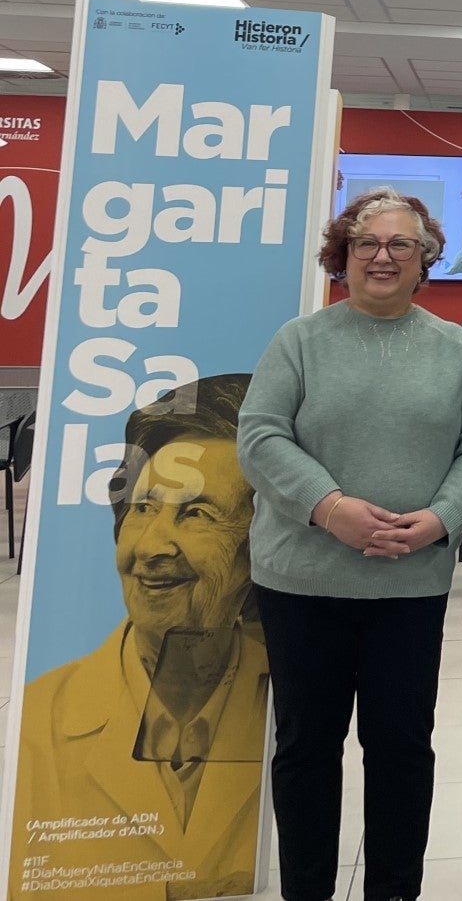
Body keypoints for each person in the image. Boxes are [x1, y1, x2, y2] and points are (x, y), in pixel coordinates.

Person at [237, 189, 462, 901]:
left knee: (400, 751)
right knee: (306, 750)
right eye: (366, 243)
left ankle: (392, 891)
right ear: (342, 255)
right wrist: (329, 508)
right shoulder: (299, 341)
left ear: (425, 261)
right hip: (302, 581)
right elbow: (259, 436)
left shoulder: (454, 348)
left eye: (400, 245)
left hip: (408, 587)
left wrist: (442, 516)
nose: (382, 256)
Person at [13, 374, 266, 901]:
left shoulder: (301, 703)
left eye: (197, 514)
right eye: (143, 509)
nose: (152, 545)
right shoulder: (39, 724)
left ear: (260, 542)